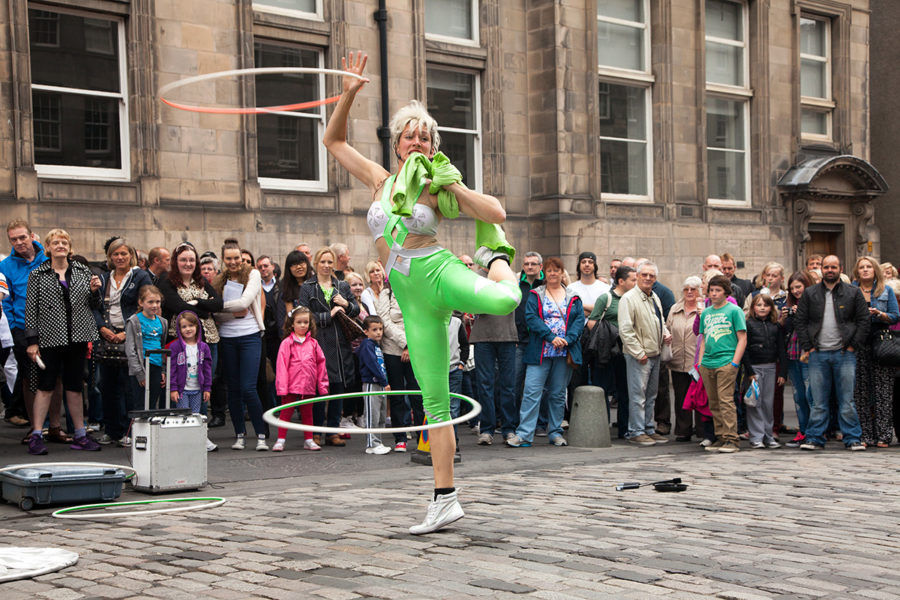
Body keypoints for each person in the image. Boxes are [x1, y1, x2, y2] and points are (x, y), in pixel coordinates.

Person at [324, 51, 521, 534]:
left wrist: (449, 182)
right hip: (407, 296)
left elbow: (493, 211)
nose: (417, 140)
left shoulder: (435, 186)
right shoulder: (381, 180)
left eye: (425, 135)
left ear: (433, 145)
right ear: (396, 145)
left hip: (435, 270)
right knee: (436, 403)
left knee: (505, 299)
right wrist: (349, 90)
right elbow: (333, 140)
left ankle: (496, 260)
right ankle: (444, 498)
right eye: (409, 135)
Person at [24, 229, 102, 455]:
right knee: (45, 386)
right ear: (47, 247)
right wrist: (32, 341)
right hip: (50, 337)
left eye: (64, 242)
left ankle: (80, 434)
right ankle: (37, 434)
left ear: (70, 247)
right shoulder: (38, 274)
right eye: (56, 242)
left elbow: (94, 305)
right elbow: (31, 310)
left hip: (78, 336)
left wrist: (95, 291)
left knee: (75, 386)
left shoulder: (82, 270)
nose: (60, 245)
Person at [507, 257, 584, 448]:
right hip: (540, 350)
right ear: (544, 272)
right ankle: (524, 434)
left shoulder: (573, 296)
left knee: (558, 394)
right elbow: (531, 318)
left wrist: (568, 339)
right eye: (549, 270)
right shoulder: (536, 294)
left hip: (563, 351)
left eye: (556, 270)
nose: (552, 274)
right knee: (532, 392)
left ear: (562, 273)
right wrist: (551, 337)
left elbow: (579, 321)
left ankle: (556, 432)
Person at [795, 255, 868, 451]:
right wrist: (808, 347)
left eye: (833, 267)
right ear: (822, 270)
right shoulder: (810, 294)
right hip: (818, 354)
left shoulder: (853, 293)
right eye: (826, 267)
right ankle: (814, 438)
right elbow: (800, 322)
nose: (829, 270)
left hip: (844, 354)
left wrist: (853, 346)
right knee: (818, 401)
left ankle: (852, 438)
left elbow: (863, 321)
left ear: (840, 269)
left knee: (847, 400)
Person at [297, 247, 359, 446]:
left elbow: (356, 310)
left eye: (329, 262)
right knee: (318, 389)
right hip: (318, 342)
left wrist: (347, 305)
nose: (326, 266)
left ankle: (332, 431)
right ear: (315, 264)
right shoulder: (308, 287)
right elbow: (304, 316)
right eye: (322, 262)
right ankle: (316, 431)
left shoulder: (342, 285)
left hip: (340, 343)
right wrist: (328, 315)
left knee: (338, 386)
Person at [94, 237, 152, 446]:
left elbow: (147, 304)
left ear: (131, 255)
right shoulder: (103, 278)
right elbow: (94, 306)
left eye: (123, 254)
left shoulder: (140, 276)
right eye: (115, 254)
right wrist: (101, 327)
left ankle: (130, 430)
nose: (119, 257)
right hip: (107, 336)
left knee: (130, 386)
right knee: (107, 385)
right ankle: (112, 429)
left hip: (131, 336)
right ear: (110, 257)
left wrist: (127, 332)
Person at [157, 243, 224, 422]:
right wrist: (203, 308)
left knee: (203, 382)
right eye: (183, 260)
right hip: (181, 340)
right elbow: (176, 306)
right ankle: (179, 424)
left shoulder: (201, 281)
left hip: (208, 339)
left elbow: (218, 304)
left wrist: (195, 302)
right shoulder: (167, 282)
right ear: (175, 262)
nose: (188, 263)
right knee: (180, 384)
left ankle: (200, 425)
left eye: (192, 260)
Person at [214, 238, 269, 451]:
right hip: (227, 337)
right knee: (234, 390)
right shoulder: (219, 280)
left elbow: (245, 303)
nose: (234, 262)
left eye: (236, 257)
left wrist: (221, 308)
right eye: (229, 258)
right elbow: (215, 313)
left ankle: (261, 434)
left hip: (250, 336)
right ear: (223, 259)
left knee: (248, 387)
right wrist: (229, 311)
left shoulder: (253, 274)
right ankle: (239, 434)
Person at [0, 220, 48, 431]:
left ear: (31, 236)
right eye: (14, 239)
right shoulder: (5, 266)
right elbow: (6, 300)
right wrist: (13, 328)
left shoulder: (47, 261)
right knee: (28, 376)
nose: (19, 242)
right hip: (20, 327)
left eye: (22, 237)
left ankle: (51, 425)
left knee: (52, 377)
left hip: (49, 326)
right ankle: (35, 426)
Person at [617, 261, 671, 446]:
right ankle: (636, 431)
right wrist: (639, 353)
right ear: (638, 276)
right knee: (638, 395)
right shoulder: (629, 298)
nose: (648, 278)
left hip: (654, 353)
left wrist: (665, 333)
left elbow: (660, 319)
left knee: (651, 395)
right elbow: (625, 330)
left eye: (652, 276)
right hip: (639, 356)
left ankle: (648, 428)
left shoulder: (654, 296)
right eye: (644, 275)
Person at [851, 256, 899, 447]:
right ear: (857, 271)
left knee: (883, 391)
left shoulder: (885, 290)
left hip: (881, 343)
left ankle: (884, 435)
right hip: (858, 343)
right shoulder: (851, 291)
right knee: (861, 391)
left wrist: (880, 314)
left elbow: (895, 316)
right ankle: (865, 435)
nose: (865, 270)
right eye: (861, 267)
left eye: (869, 267)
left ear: (875, 270)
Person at [696, 275, 747, 453]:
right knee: (714, 402)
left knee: (726, 401)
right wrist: (700, 362)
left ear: (726, 292)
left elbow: (742, 338)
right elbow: (703, 339)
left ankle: (732, 439)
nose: (714, 294)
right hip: (708, 362)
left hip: (726, 361)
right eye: (711, 290)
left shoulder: (734, 310)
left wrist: (734, 363)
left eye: (718, 290)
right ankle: (721, 437)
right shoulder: (706, 313)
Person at [589, 265, 636, 439]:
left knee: (625, 391)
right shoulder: (606, 298)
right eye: (633, 279)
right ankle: (602, 428)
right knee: (602, 390)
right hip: (606, 352)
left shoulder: (634, 299)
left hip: (627, 352)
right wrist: (610, 334)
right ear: (621, 281)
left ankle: (624, 429)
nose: (635, 283)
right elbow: (592, 322)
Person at [274, 306, 327, 452]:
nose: (303, 325)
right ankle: (281, 439)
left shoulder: (314, 344)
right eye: (299, 322)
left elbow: (321, 365)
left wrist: (322, 386)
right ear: (292, 324)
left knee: (307, 413)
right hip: (291, 385)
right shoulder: (286, 343)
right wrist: (282, 387)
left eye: (306, 322)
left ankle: (309, 439)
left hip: (308, 385)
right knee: (286, 412)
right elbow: (282, 366)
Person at [742, 294, 787, 449]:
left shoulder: (775, 326)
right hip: (754, 368)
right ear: (753, 307)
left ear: (771, 308)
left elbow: (781, 349)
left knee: (768, 403)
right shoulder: (748, 324)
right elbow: (744, 350)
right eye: (759, 305)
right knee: (755, 402)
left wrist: (783, 373)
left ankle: (768, 435)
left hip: (771, 367)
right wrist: (749, 371)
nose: (762, 308)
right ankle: (756, 436)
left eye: (766, 305)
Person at [168, 311, 216, 452]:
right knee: (183, 416)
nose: (188, 329)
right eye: (184, 327)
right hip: (182, 390)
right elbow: (172, 370)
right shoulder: (175, 347)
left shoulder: (204, 347)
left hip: (197, 389)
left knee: (195, 415)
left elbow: (207, 370)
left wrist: (207, 388)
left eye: (191, 325)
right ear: (179, 329)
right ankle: (183, 443)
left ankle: (199, 440)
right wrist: (173, 388)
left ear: (197, 327)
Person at [666, 276, 703, 442]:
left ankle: (703, 430)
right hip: (678, 359)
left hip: (697, 360)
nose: (689, 292)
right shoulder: (675, 308)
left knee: (700, 396)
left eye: (693, 289)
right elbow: (667, 328)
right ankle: (683, 430)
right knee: (681, 396)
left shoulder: (703, 309)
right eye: (686, 289)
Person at [781, 271, 813, 447]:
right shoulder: (789, 304)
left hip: (807, 353)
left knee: (811, 395)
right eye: (792, 288)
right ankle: (803, 430)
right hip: (792, 353)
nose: (795, 291)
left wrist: (801, 313)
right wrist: (784, 318)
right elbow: (784, 330)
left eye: (798, 287)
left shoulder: (814, 303)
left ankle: (814, 432)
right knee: (798, 395)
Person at [125, 285, 168, 411]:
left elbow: (162, 346)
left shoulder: (163, 322)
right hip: (142, 365)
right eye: (150, 302)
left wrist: (163, 371)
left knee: (152, 403)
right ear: (141, 302)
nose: (154, 305)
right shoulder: (133, 321)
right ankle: (138, 431)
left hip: (156, 365)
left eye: (157, 302)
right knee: (140, 405)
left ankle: (151, 431)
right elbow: (130, 349)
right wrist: (140, 374)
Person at [356, 315, 392, 455]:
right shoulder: (367, 345)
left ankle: (378, 441)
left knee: (381, 415)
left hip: (380, 384)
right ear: (366, 331)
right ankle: (372, 443)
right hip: (372, 383)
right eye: (374, 329)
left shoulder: (376, 346)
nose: (378, 332)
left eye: (380, 329)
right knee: (372, 414)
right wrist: (384, 382)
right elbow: (371, 364)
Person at [281, 250, 315, 315]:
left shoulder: (316, 284)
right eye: (294, 264)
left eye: (302, 263)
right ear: (289, 269)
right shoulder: (286, 288)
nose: (299, 267)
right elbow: (290, 315)